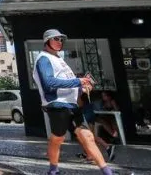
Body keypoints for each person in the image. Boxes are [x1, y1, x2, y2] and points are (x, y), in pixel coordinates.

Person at [33, 29, 112, 175]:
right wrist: (77, 81)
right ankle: (53, 170)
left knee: (87, 136)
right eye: (56, 39)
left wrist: (82, 87)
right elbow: (48, 82)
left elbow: (68, 84)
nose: (60, 42)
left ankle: (108, 172)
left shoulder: (59, 60)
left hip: (72, 105)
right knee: (57, 139)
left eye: (61, 39)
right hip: (57, 105)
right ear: (47, 41)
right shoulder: (43, 59)